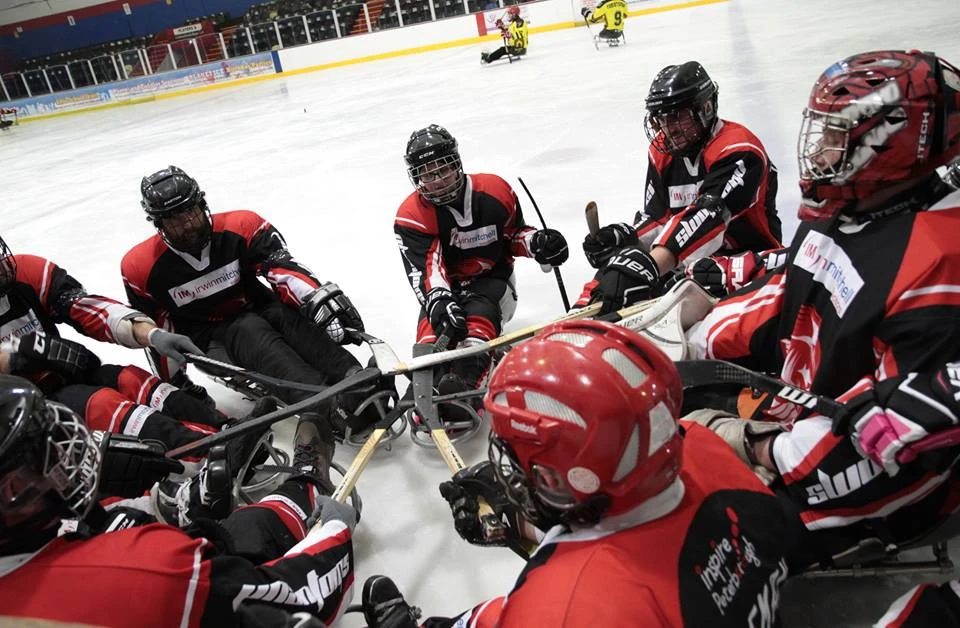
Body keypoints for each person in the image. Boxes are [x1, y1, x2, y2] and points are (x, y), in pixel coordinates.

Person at [681, 50, 960, 550]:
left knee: (673, 523)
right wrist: (689, 337)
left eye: (837, 134)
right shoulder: (847, 207)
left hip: (843, 485)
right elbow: (786, 298)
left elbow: (895, 447)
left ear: (888, 143)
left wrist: (760, 447)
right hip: (793, 414)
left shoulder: (940, 264)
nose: (822, 149)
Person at [358, 320, 797, 627]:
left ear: (561, 480)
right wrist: (527, 522)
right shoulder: (703, 450)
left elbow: (564, 599)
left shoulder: (570, 606)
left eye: (518, 457)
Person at [0, 374, 359, 627]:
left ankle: (179, 496)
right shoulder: (143, 570)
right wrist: (335, 531)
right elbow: (295, 598)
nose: (67, 456)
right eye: (41, 462)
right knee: (248, 531)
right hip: (162, 579)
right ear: (12, 492)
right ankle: (306, 483)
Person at [121, 165, 381, 441]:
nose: (187, 224)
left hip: (259, 308)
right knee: (249, 329)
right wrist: (176, 384)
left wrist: (317, 299)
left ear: (202, 204)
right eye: (174, 219)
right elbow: (159, 331)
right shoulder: (141, 268)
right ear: (159, 224)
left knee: (283, 316)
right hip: (210, 340)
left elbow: (281, 269)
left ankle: (352, 374)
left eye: (190, 211)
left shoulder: (242, 226)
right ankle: (325, 405)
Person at [0, 234, 244, 463]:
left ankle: (227, 428)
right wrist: (15, 356)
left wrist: (150, 333)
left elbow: (85, 308)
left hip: (58, 379)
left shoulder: (27, 272)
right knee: (102, 404)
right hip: (16, 419)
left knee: (127, 377)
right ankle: (211, 452)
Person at [394, 125, 568, 432]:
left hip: (494, 285)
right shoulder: (412, 214)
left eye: (443, 170)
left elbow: (513, 236)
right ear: (416, 177)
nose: (437, 181)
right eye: (427, 174)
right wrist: (439, 300)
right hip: (447, 289)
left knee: (479, 310)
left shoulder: (495, 191)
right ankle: (429, 382)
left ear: (456, 163)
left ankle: (466, 382)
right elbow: (427, 269)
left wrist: (538, 243)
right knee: (434, 330)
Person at [575, 61, 781, 313]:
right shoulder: (662, 152)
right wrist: (626, 239)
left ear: (705, 108)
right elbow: (658, 217)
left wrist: (647, 266)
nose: (667, 128)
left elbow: (708, 216)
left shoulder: (739, 149)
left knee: (644, 279)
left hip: (746, 266)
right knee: (618, 267)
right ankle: (578, 316)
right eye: (661, 118)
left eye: (676, 117)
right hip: (689, 265)